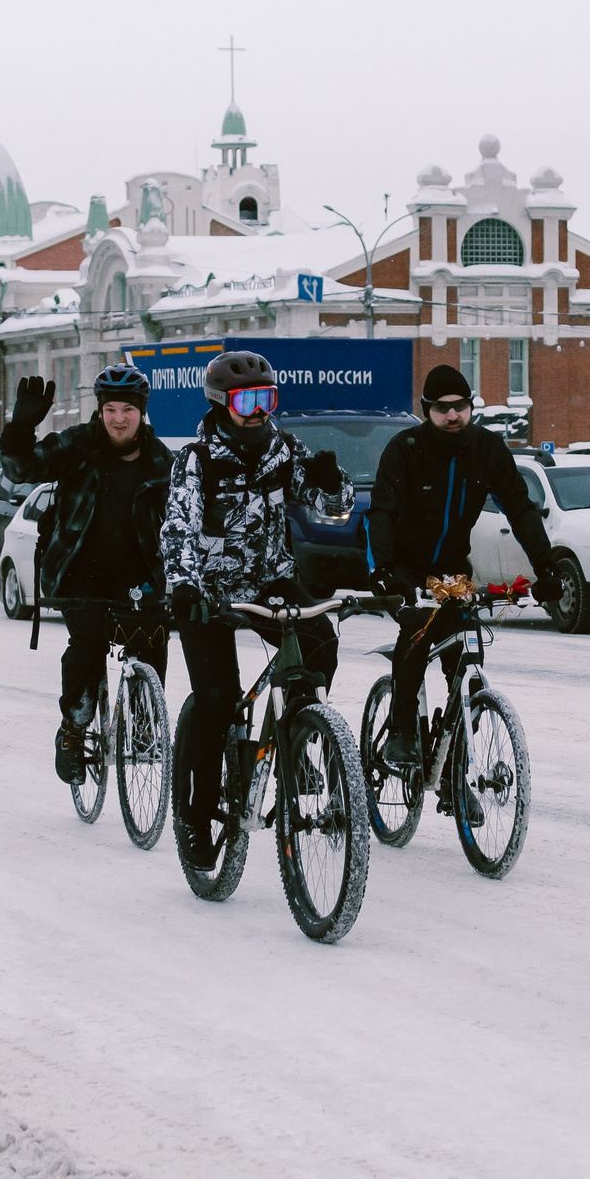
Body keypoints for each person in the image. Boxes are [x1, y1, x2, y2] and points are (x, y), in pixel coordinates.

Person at [161, 351, 347, 864]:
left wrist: (332, 484)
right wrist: (184, 586)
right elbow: (178, 528)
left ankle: (298, 740)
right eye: (248, 400)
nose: (259, 410)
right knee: (217, 702)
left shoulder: (283, 449)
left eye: (267, 398)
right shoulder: (195, 460)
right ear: (223, 402)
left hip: (270, 583)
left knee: (321, 640)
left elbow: (332, 510)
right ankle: (196, 816)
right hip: (208, 592)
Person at [364, 362, 563, 772]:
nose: (453, 415)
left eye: (461, 406)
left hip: (451, 572)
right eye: (442, 408)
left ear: (472, 407)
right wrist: (383, 570)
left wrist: (547, 567)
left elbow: (521, 510)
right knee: (419, 630)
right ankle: (402, 731)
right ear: (426, 410)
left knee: (466, 659)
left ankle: (456, 773)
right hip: (403, 568)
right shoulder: (405, 449)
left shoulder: (486, 450)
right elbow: (380, 512)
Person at [0, 363, 174, 785]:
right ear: (100, 411)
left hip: (138, 573)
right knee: (89, 643)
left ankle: (146, 720)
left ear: (141, 412)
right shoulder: (77, 446)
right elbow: (21, 470)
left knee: (152, 638)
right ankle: (74, 729)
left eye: (127, 410)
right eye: (110, 409)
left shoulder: (160, 460)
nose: (118, 418)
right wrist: (21, 427)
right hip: (81, 571)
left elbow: (182, 519)